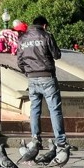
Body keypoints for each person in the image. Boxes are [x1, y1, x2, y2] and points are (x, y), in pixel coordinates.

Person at [17, 16, 69, 149]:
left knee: (34, 109)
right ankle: (60, 141)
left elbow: (20, 61)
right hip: (47, 77)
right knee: (54, 109)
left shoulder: (22, 38)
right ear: (44, 25)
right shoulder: (46, 36)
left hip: (32, 78)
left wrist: (28, 72)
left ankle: (35, 139)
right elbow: (57, 55)